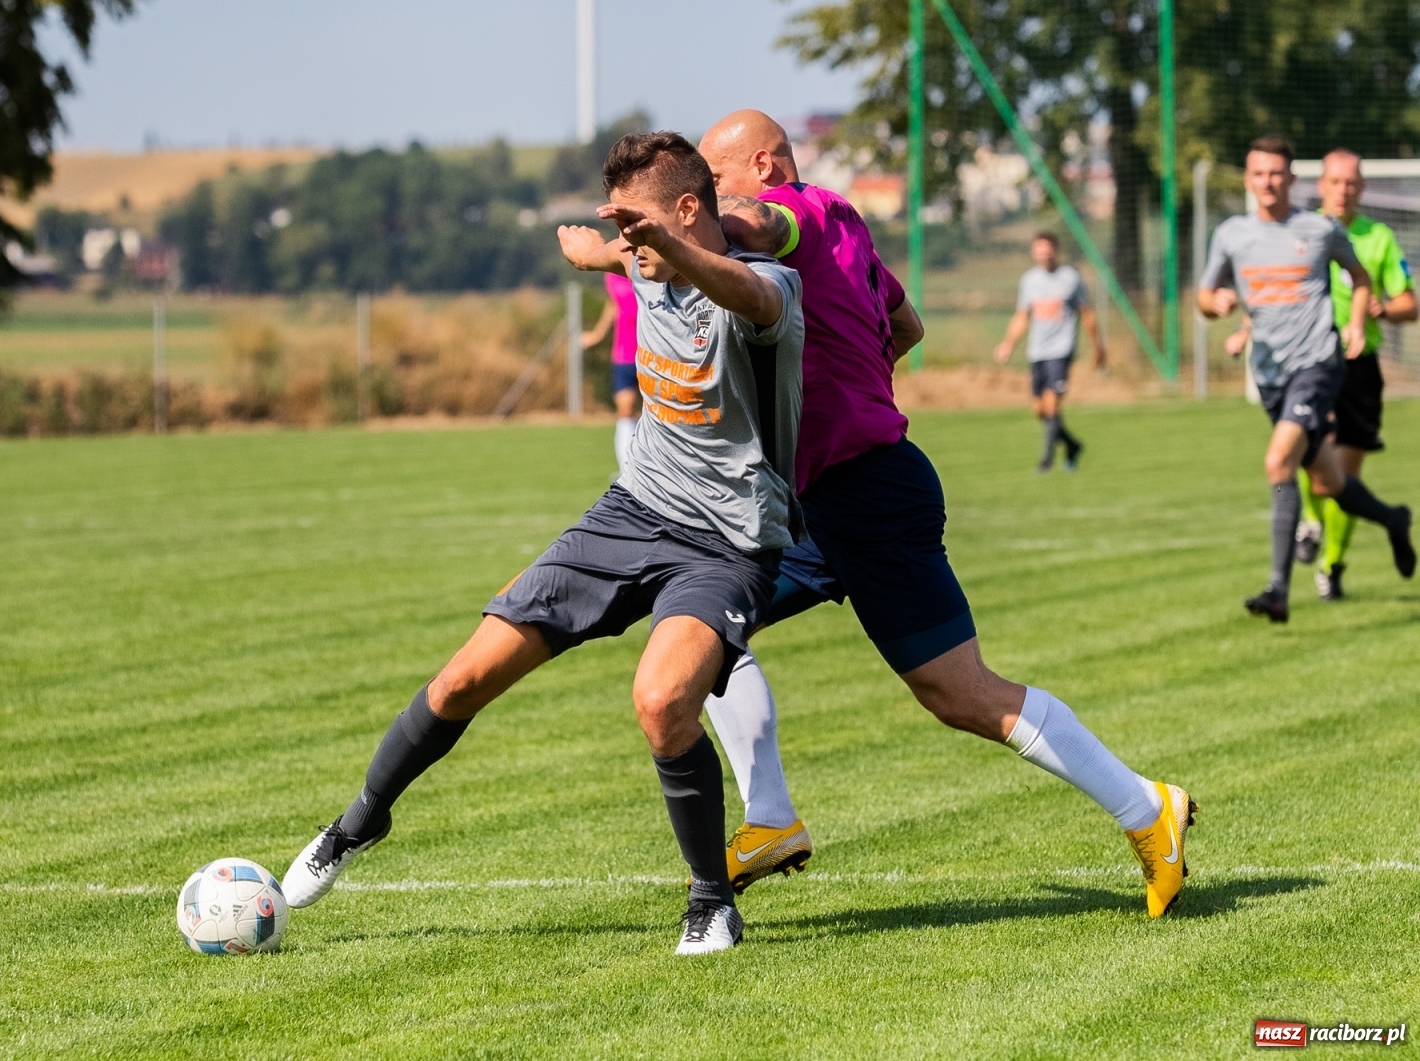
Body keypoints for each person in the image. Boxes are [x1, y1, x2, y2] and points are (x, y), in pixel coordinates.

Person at [281, 131, 806, 956]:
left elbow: (746, 291)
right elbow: (623, 255)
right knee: (463, 678)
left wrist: (657, 250)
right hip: (630, 513)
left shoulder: (766, 288)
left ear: (686, 212)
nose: (630, 245)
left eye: (639, 227)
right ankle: (357, 823)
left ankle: (712, 902)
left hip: (727, 545)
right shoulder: (643, 259)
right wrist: (596, 252)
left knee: (662, 702)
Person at [691, 108, 1196, 918]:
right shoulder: (846, 229)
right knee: (698, 624)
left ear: (764, 166)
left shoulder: (794, 212)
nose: (708, 199)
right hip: (821, 498)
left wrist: (667, 229)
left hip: (868, 493)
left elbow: (752, 224)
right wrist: (844, 385)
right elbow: (906, 325)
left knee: (961, 693)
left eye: (714, 180)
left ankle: (1146, 807)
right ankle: (771, 820)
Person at [1198, 135, 1415, 624]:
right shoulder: (1232, 234)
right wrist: (1218, 304)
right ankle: (1392, 518)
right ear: (1248, 179)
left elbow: (1361, 278)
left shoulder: (1319, 230)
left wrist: (1356, 322)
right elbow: (1205, 296)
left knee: (1280, 460)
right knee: (1330, 480)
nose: (1268, 182)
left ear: (1292, 179)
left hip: (1320, 365)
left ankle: (1280, 587)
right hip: (1270, 375)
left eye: (1276, 173)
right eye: (1259, 173)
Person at [1292, 149, 1418, 600]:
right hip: (1311, 360)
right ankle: (1310, 521)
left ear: (1362, 188)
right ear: (1320, 185)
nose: (1343, 191)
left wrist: (1383, 310)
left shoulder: (1379, 238)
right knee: (1302, 446)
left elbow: (1409, 304)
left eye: (1351, 183)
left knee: (1345, 473)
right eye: (1335, 182)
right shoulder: (1300, 231)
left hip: (1359, 366)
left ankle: (1331, 566)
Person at [994, 232, 1108, 472]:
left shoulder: (1071, 278)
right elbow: (1022, 316)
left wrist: (1098, 347)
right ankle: (1072, 445)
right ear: (1033, 252)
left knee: (1052, 405)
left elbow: (1087, 313)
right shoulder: (1029, 280)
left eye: (1048, 249)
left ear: (1056, 250)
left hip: (1061, 350)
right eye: (1039, 249)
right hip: (1038, 352)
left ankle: (1046, 460)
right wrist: (1007, 344)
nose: (1044, 253)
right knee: (1039, 409)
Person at [581, 271, 644, 471]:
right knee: (626, 409)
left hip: (652, 353)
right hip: (624, 354)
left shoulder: (648, 269)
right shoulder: (611, 277)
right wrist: (597, 335)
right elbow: (613, 305)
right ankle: (627, 471)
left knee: (656, 412)